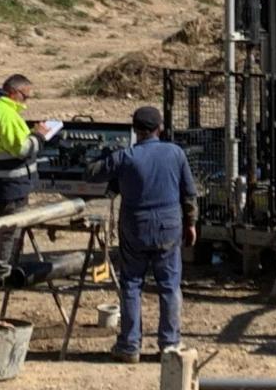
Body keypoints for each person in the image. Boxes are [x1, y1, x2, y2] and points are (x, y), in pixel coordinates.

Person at [105, 105, 197, 364]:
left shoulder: (126, 157)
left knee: (132, 284)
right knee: (169, 286)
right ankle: (169, 345)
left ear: (135, 130)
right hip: (169, 226)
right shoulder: (176, 154)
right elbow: (189, 194)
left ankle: (130, 346)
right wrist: (191, 223)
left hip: (135, 226)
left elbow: (94, 174)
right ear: (161, 129)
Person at [0, 74, 57, 284]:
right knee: (9, 228)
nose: (26, 101)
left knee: (11, 226)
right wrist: (39, 136)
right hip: (11, 182)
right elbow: (21, 149)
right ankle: (3, 273)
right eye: (25, 96)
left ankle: (9, 268)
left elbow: (10, 141)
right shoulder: (5, 114)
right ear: (14, 93)